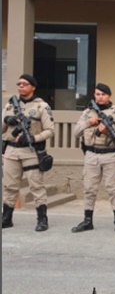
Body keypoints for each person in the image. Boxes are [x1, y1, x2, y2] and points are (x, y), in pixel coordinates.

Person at [71, 83, 115, 234]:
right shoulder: (87, 113)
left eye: (103, 94)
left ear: (109, 96)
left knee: (113, 190)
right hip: (91, 155)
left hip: (109, 154)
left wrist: (110, 132)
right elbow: (76, 132)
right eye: (97, 94)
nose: (100, 97)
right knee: (89, 189)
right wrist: (88, 122)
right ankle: (87, 221)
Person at [2, 74, 54, 231]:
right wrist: (7, 120)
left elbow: (50, 130)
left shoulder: (41, 106)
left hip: (31, 150)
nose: (21, 86)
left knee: (36, 185)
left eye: (24, 84)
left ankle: (42, 219)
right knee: (9, 185)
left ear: (33, 87)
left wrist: (33, 137)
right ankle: (6, 217)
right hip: (11, 150)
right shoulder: (10, 106)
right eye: (19, 83)